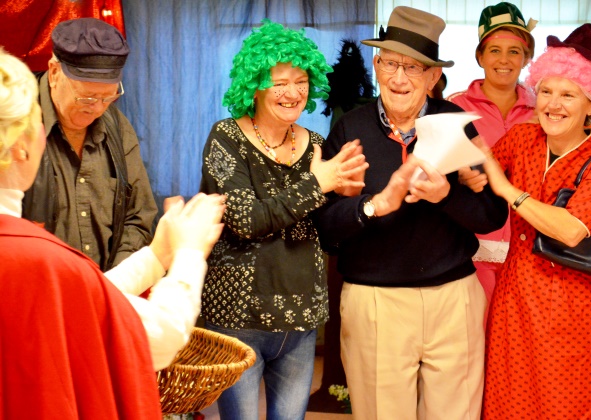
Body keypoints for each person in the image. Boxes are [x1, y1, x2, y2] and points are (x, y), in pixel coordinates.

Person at [0, 48, 222, 418]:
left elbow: (79, 301)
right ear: (21, 146)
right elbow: (162, 337)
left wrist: (155, 256)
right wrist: (189, 254)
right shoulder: (38, 259)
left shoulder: (43, 263)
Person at [313, 7, 509, 419]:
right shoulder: (350, 128)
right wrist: (371, 206)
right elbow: (325, 229)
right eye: (390, 64)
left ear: (433, 77)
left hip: (453, 298)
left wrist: (446, 196)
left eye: (413, 68)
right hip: (375, 300)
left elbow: (492, 215)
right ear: (376, 65)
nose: (398, 78)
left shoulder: (456, 123)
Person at [199, 20, 368, 420]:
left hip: (301, 316)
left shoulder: (317, 145)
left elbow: (327, 233)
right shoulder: (226, 137)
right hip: (238, 317)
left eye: (301, 81)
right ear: (255, 85)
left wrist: (346, 199)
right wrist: (318, 185)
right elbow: (245, 220)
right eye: (279, 82)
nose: (293, 93)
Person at [470, 24, 591, 419]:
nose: (553, 105)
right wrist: (465, 166)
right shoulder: (522, 139)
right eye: (546, 91)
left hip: (569, 310)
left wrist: (507, 189)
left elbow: (571, 229)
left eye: (568, 95)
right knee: (504, 406)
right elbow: (477, 174)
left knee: (560, 408)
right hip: (512, 300)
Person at [22, 17, 157, 271]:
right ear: (54, 73)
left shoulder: (116, 126)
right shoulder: (15, 123)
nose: (97, 109)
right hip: (39, 286)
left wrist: (115, 280)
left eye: (108, 97)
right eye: (87, 97)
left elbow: (138, 216)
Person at [447, 2, 537, 303]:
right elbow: (437, 168)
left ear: (526, 57)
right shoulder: (455, 106)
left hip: (529, 246)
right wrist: (461, 174)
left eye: (515, 51)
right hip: (471, 245)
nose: (504, 60)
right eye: (495, 50)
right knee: (474, 331)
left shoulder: (545, 109)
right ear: (480, 56)